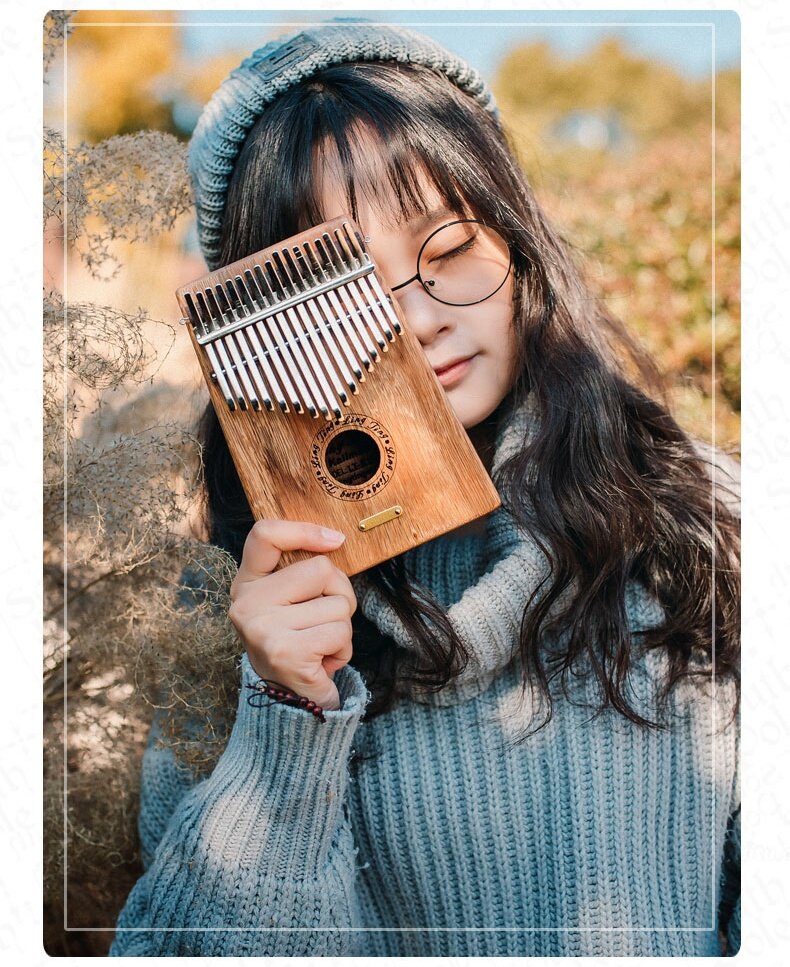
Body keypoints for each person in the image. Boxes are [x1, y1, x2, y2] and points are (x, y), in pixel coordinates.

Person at [109, 21, 740, 957]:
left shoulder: (709, 515)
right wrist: (285, 722)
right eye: (347, 287)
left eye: (446, 250)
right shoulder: (235, 625)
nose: (416, 318)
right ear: (263, 327)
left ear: (517, 243)